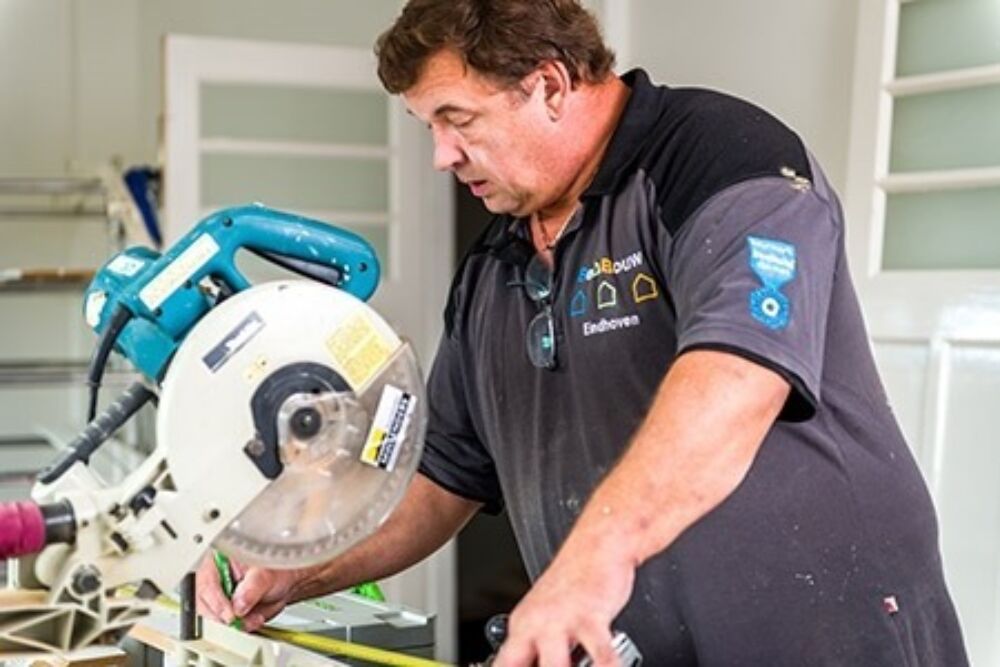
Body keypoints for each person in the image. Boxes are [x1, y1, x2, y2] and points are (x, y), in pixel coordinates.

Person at [198, 1, 969, 664]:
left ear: (549, 84)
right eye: (428, 125)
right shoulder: (493, 269)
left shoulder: (720, 158)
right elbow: (441, 478)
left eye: (457, 120)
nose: (441, 155)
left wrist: (588, 564)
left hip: (827, 635)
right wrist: (295, 560)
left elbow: (737, 376)